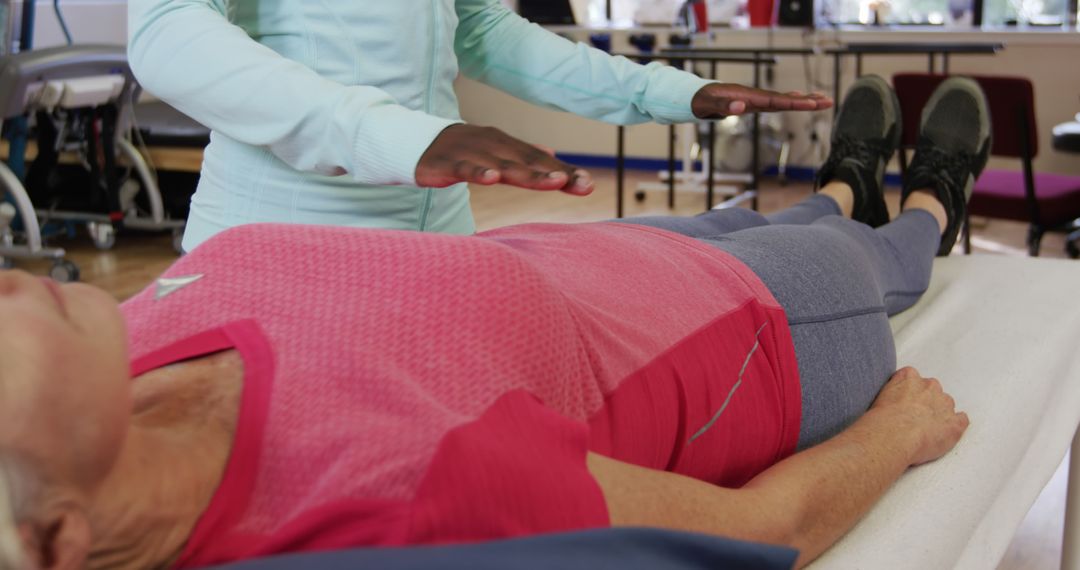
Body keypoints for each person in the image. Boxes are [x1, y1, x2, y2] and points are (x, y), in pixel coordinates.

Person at [0, 75, 989, 570]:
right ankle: (930, 210)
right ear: (55, 541)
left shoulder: (126, 343)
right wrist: (896, 434)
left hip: (594, 259)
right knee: (861, 259)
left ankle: (836, 186)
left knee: (773, 216)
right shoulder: (403, 493)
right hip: (742, 339)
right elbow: (768, 530)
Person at [127, 0, 831, 252]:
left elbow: (479, 29)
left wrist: (667, 90)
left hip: (441, 244)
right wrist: (394, 133)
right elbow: (166, 29)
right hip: (282, 249)